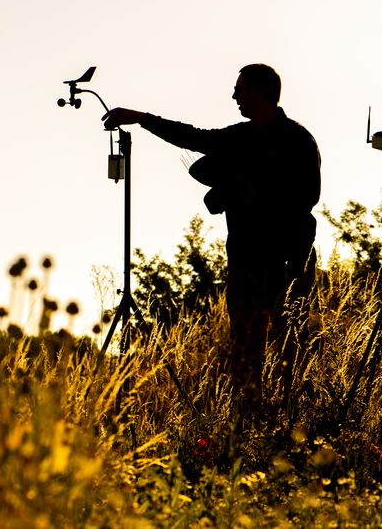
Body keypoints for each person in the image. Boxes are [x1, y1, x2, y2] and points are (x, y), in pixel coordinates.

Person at [102, 64, 321, 422]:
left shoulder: (297, 140)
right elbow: (192, 136)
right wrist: (141, 118)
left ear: (259, 92)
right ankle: (246, 425)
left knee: (289, 349)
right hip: (245, 262)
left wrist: (243, 190)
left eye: (241, 89)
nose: (234, 96)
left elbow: (307, 198)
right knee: (244, 352)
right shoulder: (240, 138)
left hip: (285, 261)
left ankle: (294, 424)